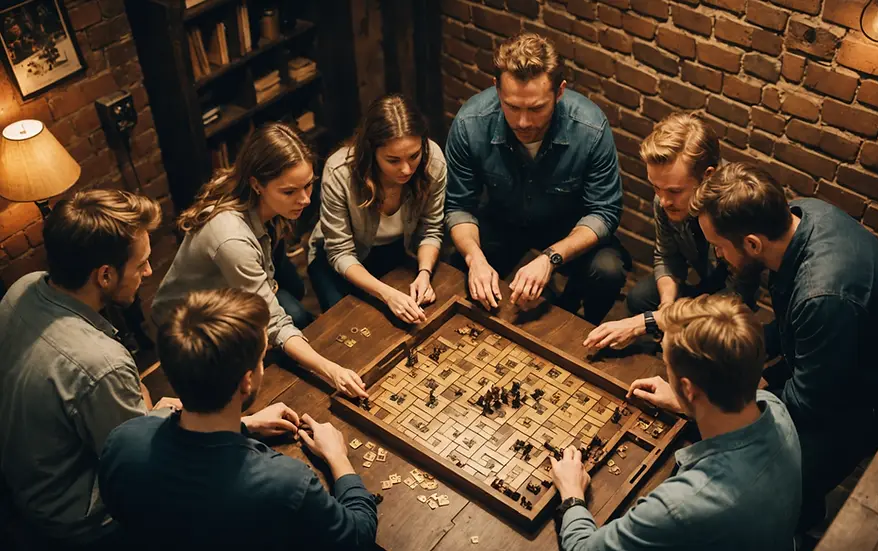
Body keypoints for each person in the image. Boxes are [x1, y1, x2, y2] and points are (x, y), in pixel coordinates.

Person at [689, 162, 878, 531]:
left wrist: (726, 396)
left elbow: (811, 403)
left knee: (762, 479)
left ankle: (797, 523)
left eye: (719, 247)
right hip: (831, 362)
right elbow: (793, 330)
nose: (718, 256)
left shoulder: (822, 296)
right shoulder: (801, 212)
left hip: (870, 401)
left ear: (753, 243)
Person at [99, 288, 378, 548]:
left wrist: (246, 425)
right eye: (260, 360)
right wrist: (338, 457)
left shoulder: (122, 441)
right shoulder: (286, 483)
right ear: (246, 381)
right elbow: (358, 535)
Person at [0, 190, 180, 547]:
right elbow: (139, 468)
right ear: (105, 275)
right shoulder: (102, 363)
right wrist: (155, 416)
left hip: (23, 479)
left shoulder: (23, 287)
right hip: (77, 520)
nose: (148, 270)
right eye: (141, 263)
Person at [552, 294, 802, 551]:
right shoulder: (775, 407)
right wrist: (687, 403)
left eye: (666, 364)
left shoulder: (679, 504)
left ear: (688, 387)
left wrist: (572, 495)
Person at [152, 123, 367, 399]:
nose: (304, 199)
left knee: (298, 305)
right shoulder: (232, 240)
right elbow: (275, 323)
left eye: (308, 186)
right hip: (191, 324)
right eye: (289, 192)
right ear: (257, 184)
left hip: (234, 290)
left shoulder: (258, 199)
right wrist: (331, 370)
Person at [445, 32, 629, 324]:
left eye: (536, 108)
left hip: (567, 228)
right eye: (512, 107)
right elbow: (458, 206)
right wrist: (474, 258)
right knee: (456, 265)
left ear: (559, 92)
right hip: (503, 221)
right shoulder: (470, 124)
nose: (523, 122)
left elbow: (605, 212)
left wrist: (550, 258)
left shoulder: (590, 128)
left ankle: (572, 321)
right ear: (496, 88)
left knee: (608, 270)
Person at [583, 113, 759, 350]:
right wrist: (666, 307)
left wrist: (650, 322)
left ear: (708, 175)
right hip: (698, 281)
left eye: (674, 191)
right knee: (641, 298)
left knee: (709, 337)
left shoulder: (737, 208)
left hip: (731, 295)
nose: (663, 201)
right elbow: (666, 256)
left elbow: (738, 295)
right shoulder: (664, 200)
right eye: (656, 188)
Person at [308, 93, 446, 324]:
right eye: (393, 160)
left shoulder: (433, 162)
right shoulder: (339, 172)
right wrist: (387, 294)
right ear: (371, 152)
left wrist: (424, 273)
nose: (405, 169)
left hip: (393, 250)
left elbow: (431, 230)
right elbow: (340, 252)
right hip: (338, 260)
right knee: (352, 328)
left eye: (414, 156)